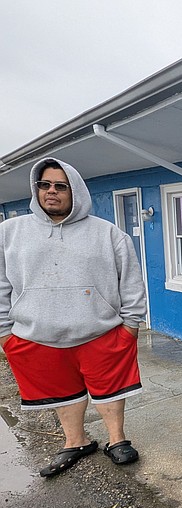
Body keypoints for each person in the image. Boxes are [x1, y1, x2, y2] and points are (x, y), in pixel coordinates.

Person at [0, 158, 147, 477]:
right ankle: (76, 441)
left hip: (101, 332)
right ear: (36, 188)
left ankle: (116, 439)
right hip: (36, 335)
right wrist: (4, 334)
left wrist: (131, 325)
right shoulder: (9, 233)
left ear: (75, 190)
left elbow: (131, 282)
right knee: (62, 392)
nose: (51, 192)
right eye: (45, 185)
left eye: (60, 186)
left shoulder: (107, 234)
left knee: (111, 390)